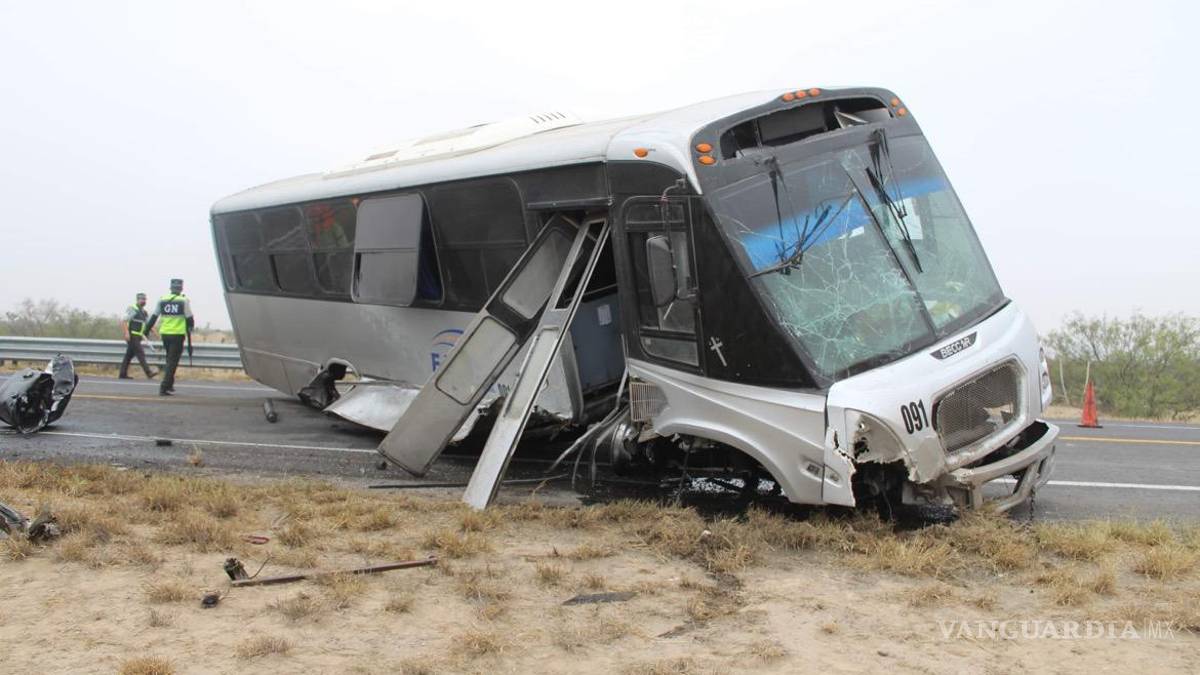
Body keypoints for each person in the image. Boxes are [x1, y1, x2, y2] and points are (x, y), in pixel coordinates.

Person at [145, 278, 194, 396]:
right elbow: (189, 319)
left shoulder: (162, 299)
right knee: (172, 361)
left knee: (169, 359)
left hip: (165, 334)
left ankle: (170, 384)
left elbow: (154, 317)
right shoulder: (183, 300)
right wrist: (190, 329)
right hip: (177, 335)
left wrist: (146, 330)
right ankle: (164, 386)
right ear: (181, 288)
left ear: (171, 288)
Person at [118, 293, 158, 379]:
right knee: (140, 353)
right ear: (137, 300)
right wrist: (126, 333)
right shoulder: (133, 309)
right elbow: (124, 321)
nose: (144, 301)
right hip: (132, 335)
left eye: (145, 299)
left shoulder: (143, 312)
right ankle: (148, 372)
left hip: (138, 336)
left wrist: (156, 334)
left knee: (128, 356)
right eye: (142, 299)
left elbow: (148, 324)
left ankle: (122, 374)